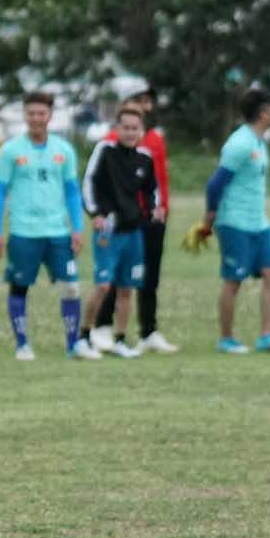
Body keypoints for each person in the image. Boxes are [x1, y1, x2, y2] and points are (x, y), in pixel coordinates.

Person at [189, 90, 270, 354]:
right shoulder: (240, 143)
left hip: (259, 222)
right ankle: (226, 339)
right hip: (234, 222)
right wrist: (209, 217)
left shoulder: (259, 143)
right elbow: (215, 184)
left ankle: (268, 336)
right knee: (233, 280)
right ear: (263, 114)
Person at [0, 91, 91, 361]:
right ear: (25, 115)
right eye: (31, 113)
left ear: (50, 116)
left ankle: (73, 345)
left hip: (58, 231)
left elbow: (72, 191)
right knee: (20, 286)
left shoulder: (64, 150)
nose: (36, 118)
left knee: (71, 287)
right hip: (23, 231)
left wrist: (78, 228)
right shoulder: (11, 150)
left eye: (41, 113)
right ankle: (22, 345)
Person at [91, 89, 177, 354]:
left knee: (147, 276)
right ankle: (103, 326)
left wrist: (161, 208)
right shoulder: (110, 144)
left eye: (147, 103)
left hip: (148, 218)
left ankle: (148, 331)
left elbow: (158, 180)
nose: (144, 106)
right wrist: (99, 212)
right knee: (114, 277)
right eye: (138, 102)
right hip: (119, 220)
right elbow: (97, 181)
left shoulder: (154, 141)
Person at [81, 107, 160, 358]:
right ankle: (83, 336)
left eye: (134, 128)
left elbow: (152, 191)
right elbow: (89, 182)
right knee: (103, 286)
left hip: (133, 232)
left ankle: (120, 339)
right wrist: (96, 213)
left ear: (142, 131)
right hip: (108, 231)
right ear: (117, 129)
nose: (130, 132)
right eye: (125, 127)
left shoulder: (145, 158)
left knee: (127, 289)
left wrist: (154, 210)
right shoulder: (105, 151)